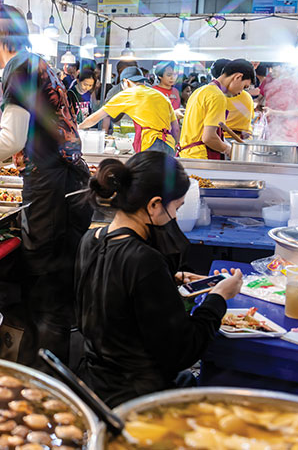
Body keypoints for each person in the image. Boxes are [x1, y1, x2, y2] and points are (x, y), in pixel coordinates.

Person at [0, 4, 93, 368]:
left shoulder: (19, 68)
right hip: (67, 183)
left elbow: (11, 138)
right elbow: (28, 133)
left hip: (51, 188)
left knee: (45, 288)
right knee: (56, 285)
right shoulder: (35, 62)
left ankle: (44, 376)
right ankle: (52, 369)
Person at [76, 152, 242, 407]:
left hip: (95, 385)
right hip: (137, 400)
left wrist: (170, 279)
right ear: (154, 205)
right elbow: (183, 351)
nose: (175, 216)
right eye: (176, 207)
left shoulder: (92, 240)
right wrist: (218, 298)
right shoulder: (145, 261)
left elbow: (113, 299)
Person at [80, 67, 179, 156]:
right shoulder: (161, 95)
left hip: (152, 144)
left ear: (125, 82)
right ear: (143, 81)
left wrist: (78, 128)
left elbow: (94, 118)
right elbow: (176, 129)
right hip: (169, 144)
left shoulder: (128, 93)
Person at [179, 59, 255, 160]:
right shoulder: (217, 96)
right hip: (201, 157)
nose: (241, 92)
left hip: (186, 155)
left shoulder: (200, 91)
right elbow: (209, 138)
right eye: (244, 86)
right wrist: (228, 149)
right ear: (238, 77)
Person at [260, 64, 298, 143]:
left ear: (284, 67)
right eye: (270, 68)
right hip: (269, 130)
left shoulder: (296, 83)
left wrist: (274, 112)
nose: (271, 70)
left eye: (274, 68)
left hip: (288, 133)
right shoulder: (269, 79)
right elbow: (261, 97)